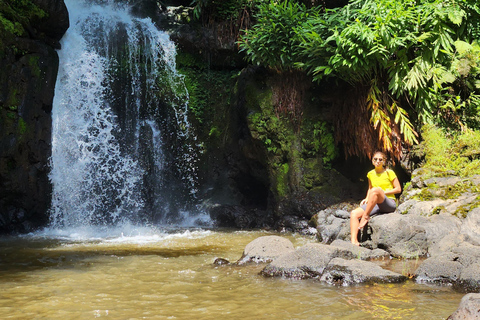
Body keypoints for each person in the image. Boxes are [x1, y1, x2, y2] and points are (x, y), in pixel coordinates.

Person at [350, 151, 401, 246]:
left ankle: (365, 216)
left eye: (380, 159)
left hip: (388, 203)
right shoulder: (370, 174)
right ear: (372, 161)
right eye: (375, 159)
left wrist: (382, 192)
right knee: (354, 214)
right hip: (375, 203)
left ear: (384, 161)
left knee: (376, 190)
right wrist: (366, 198)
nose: (378, 161)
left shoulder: (389, 172)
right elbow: (370, 188)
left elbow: (398, 189)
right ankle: (354, 241)